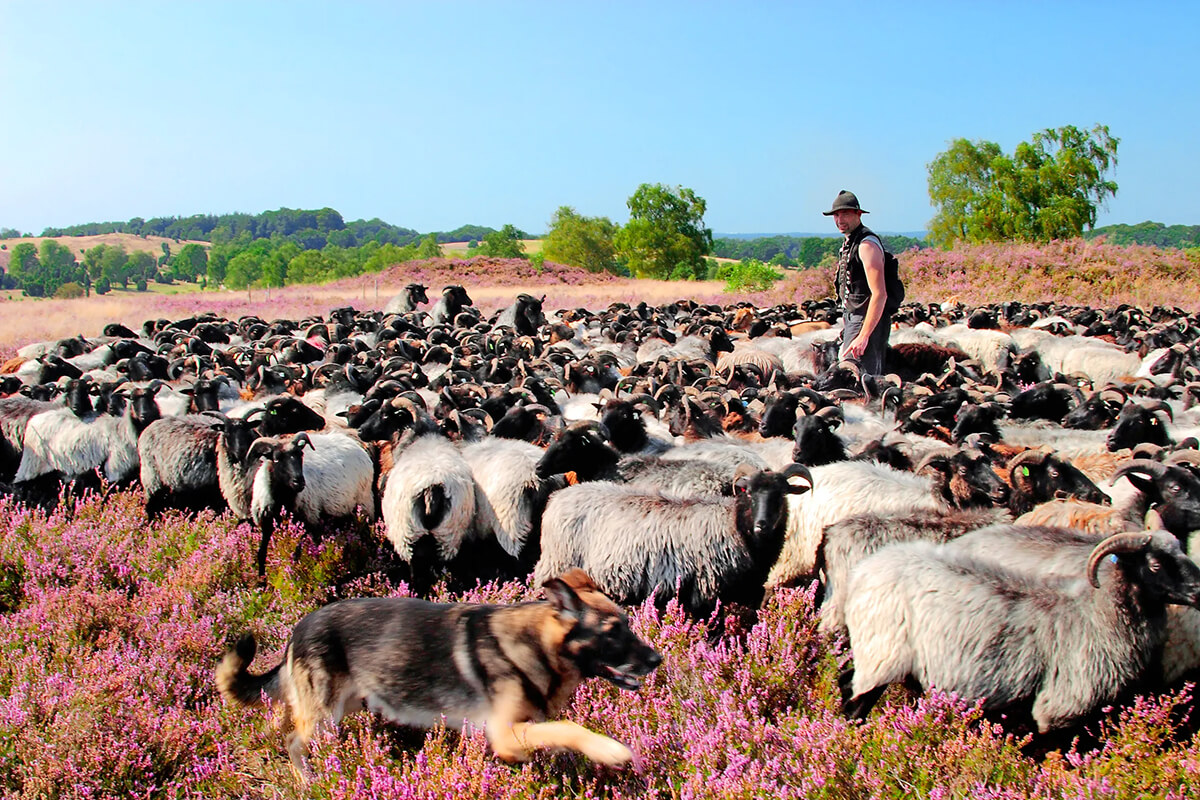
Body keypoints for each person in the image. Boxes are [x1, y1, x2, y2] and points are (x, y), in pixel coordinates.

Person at [823, 190, 902, 376]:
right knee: (853, 373)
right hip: (855, 317)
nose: (840, 219)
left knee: (859, 377)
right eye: (836, 214)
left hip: (866, 318)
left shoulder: (866, 245)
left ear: (858, 214)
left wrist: (864, 335)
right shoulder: (851, 242)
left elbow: (879, 294)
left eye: (845, 213)